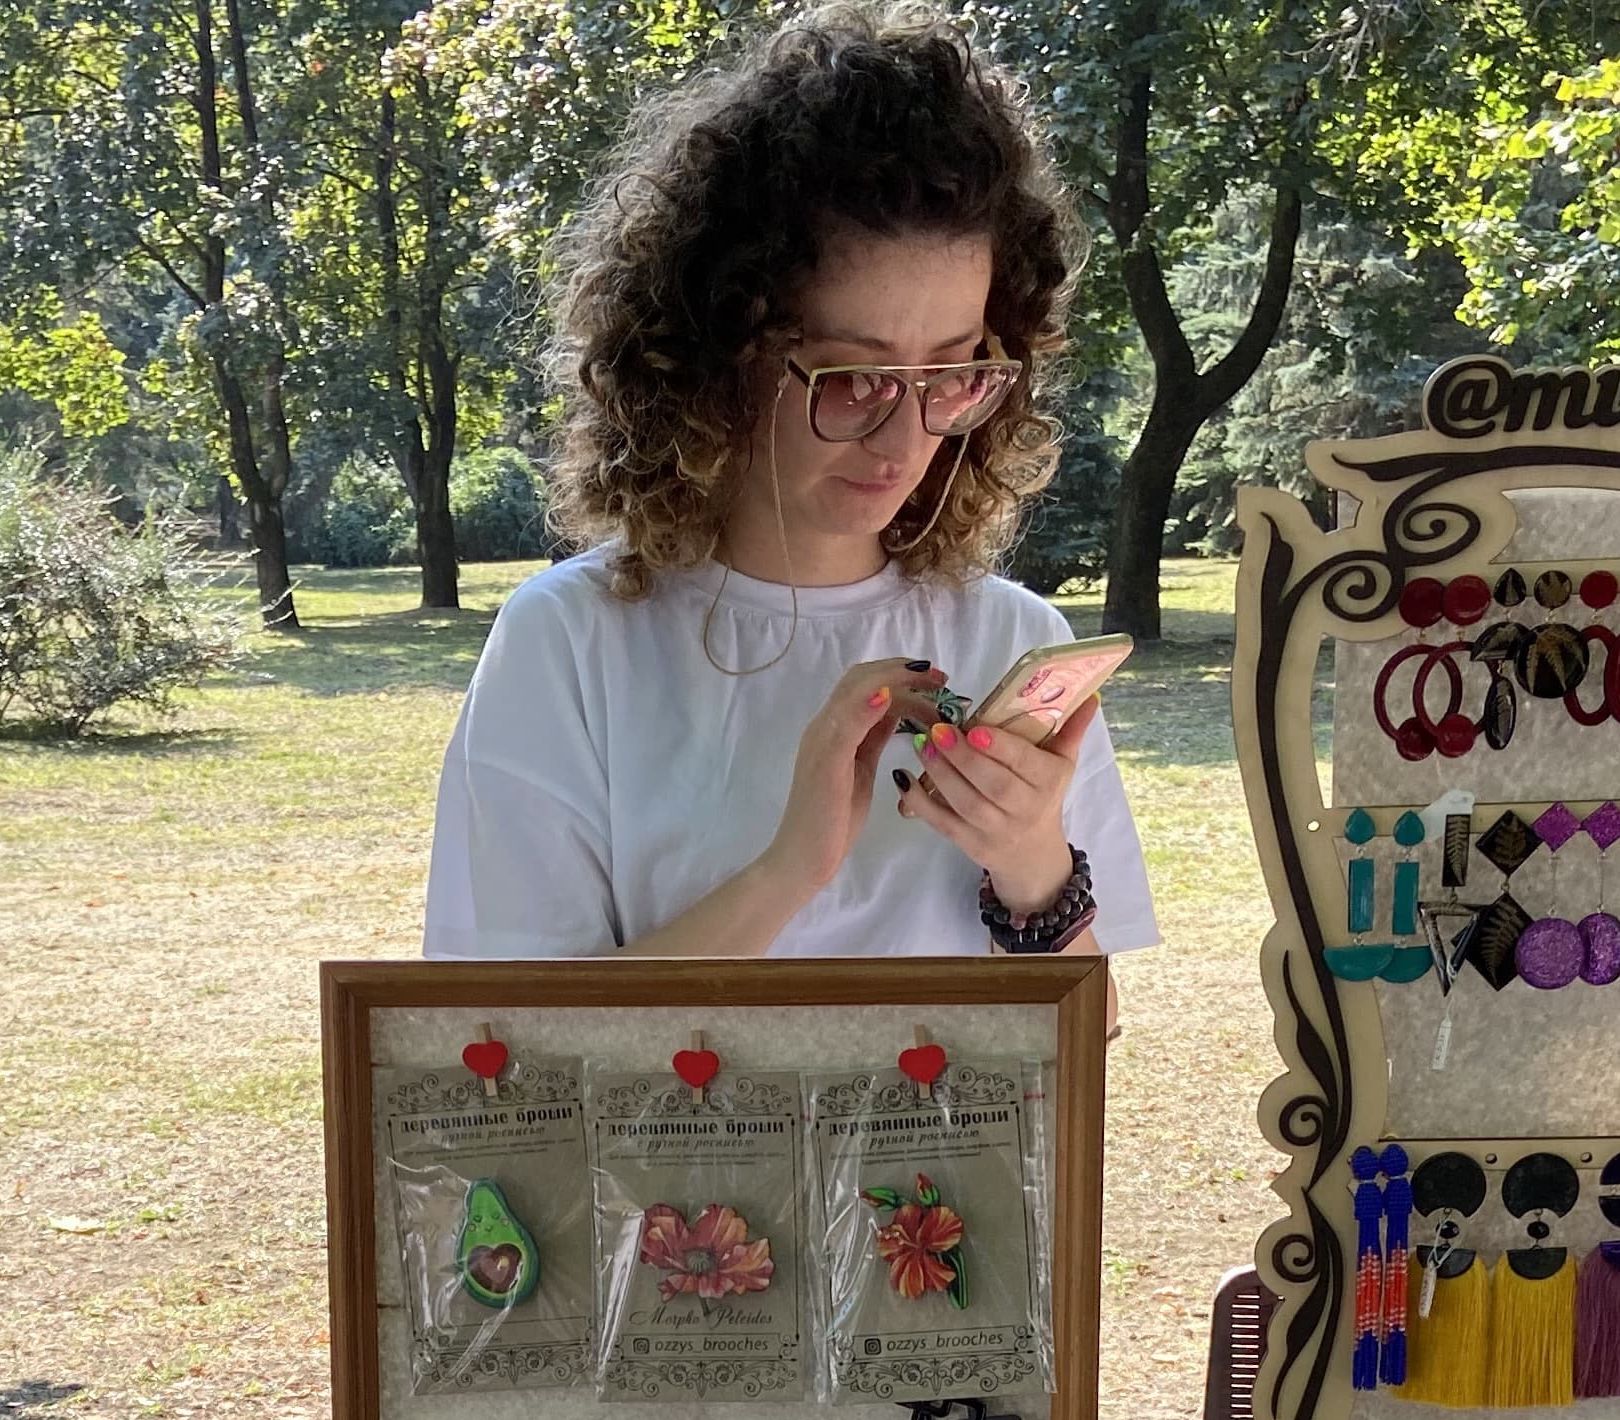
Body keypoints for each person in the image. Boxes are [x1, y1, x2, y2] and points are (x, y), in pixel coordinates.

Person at [423, 2, 1158, 964]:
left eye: (950, 374)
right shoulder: (570, 643)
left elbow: (1089, 1033)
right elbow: (512, 1041)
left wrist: (1034, 872)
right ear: (717, 356)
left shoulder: (1013, 641)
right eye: (853, 378)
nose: (906, 437)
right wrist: (788, 872)